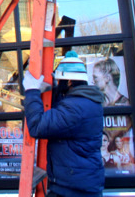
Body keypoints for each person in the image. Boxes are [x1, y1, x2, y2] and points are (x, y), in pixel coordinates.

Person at [23, 51, 104, 197]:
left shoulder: (75, 108)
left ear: (70, 82)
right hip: (79, 184)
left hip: (74, 190)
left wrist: (31, 91)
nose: (60, 85)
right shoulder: (86, 102)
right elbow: (61, 116)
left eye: (61, 82)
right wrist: (55, 90)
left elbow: (37, 125)